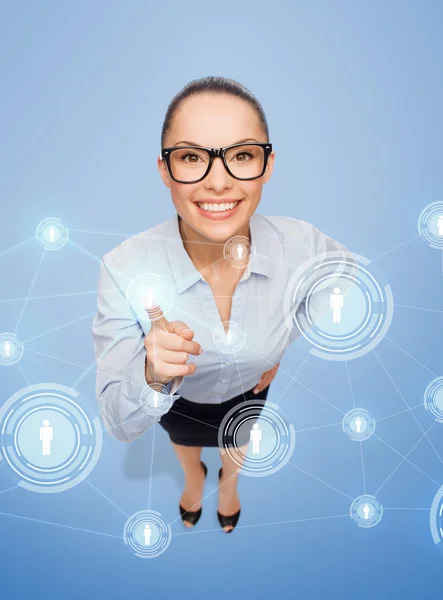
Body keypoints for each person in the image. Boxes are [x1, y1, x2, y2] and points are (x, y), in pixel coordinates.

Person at [92, 75, 349, 533]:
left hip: (249, 392)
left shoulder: (301, 243)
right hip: (179, 403)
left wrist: (285, 338)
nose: (218, 181)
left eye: (242, 155)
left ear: (267, 164)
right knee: (186, 447)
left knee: (238, 445)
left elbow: (343, 275)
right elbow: (119, 423)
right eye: (191, 157)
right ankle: (193, 480)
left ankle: (228, 489)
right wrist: (152, 376)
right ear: (164, 169)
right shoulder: (123, 267)